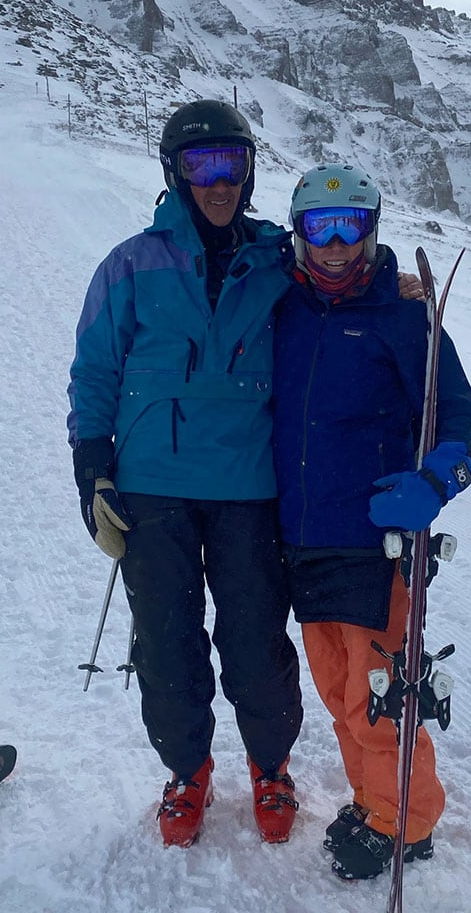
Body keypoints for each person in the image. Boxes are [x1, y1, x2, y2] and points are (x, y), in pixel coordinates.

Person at [66, 99, 303, 848]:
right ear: (175, 172)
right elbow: (95, 371)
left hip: (249, 485)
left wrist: (392, 280)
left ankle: (270, 764)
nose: (219, 181)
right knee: (166, 642)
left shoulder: (280, 262)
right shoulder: (131, 264)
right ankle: (187, 769)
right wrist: (91, 467)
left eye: (232, 163)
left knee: (256, 638)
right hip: (152, 487)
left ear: (249, 171)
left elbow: (345, 281)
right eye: (202, 165)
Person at [272, 164, 471, 880]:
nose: (334, 245)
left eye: (350, 226)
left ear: (371, 231)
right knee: (339, 691)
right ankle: (372, 801)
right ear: (298, 233)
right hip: (303, 534)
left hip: (377, 539)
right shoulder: (283, 304)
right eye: (319, 227)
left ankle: (406, 824)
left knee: (380, 697)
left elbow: (459, 418)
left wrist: (434, 482)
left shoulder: (403, 315)